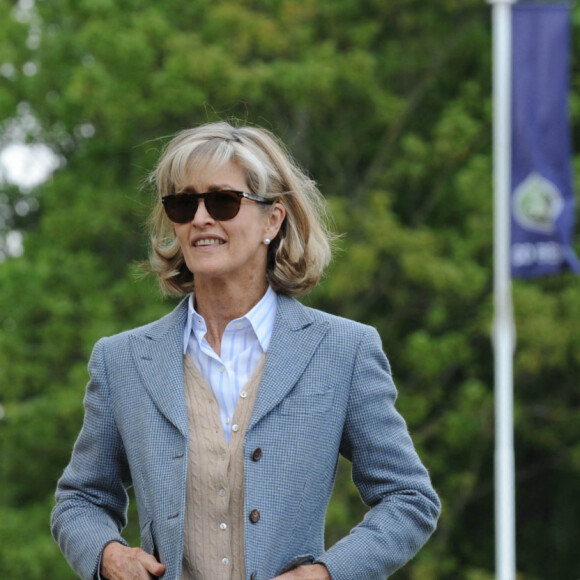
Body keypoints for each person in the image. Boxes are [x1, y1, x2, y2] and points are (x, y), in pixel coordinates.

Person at [51, 121, 440, 580]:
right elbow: (80, 500)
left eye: (222, 201)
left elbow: (409, 498)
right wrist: (108, 556)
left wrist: (326, 574)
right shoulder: (121, 361)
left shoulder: (345, 350)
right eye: (182, 204)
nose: (200, 219)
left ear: (272, 221)